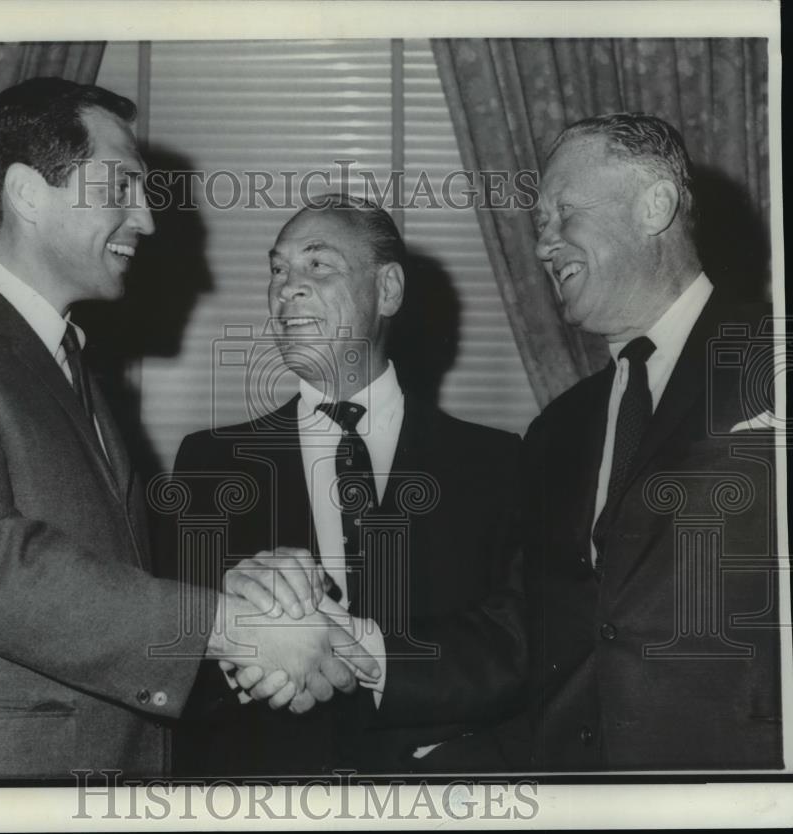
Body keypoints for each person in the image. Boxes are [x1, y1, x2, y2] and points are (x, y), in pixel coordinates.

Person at [0, 78, 377, 780]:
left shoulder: (67, 359)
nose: (146, 221)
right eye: (121, 188)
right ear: (28, 194)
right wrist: (231, 627)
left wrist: (242, 593)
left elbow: (101, 569)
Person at [160, 193, 526, 776]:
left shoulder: (496, 462)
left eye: (317, 265)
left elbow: (513, 649)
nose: (287, 289)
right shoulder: (209, 463)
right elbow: (173, 653)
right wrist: (243, 659)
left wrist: (357, 649)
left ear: (388, 291)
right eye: (277, 270)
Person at [520, 112, 781, 769]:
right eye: (538, 224)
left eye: (563, 213)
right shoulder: (554, 431)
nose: (542, 246)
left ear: (655, 205)